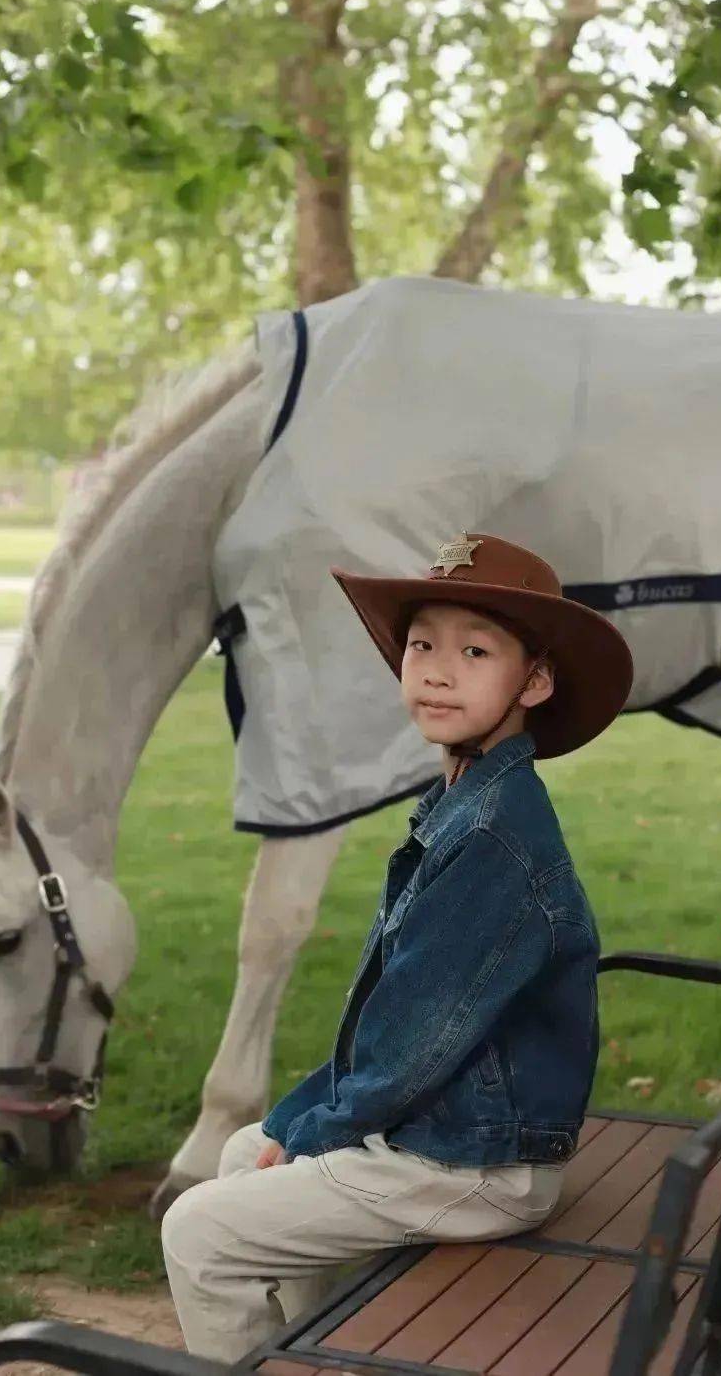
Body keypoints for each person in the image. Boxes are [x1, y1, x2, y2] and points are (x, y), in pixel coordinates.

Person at [160, 532, 634, 1363]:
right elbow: (391, 1022)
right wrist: (298, 1121)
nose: (438, 670)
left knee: (199, 1231)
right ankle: (316, 1352)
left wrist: (316, 1134)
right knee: (246, 1147)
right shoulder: (462, 803)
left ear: (536, 680)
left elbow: (413, 1045)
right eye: (421, 645)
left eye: (475, 650)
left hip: (482, 1162)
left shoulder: (495, 837)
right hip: (456, 1130)